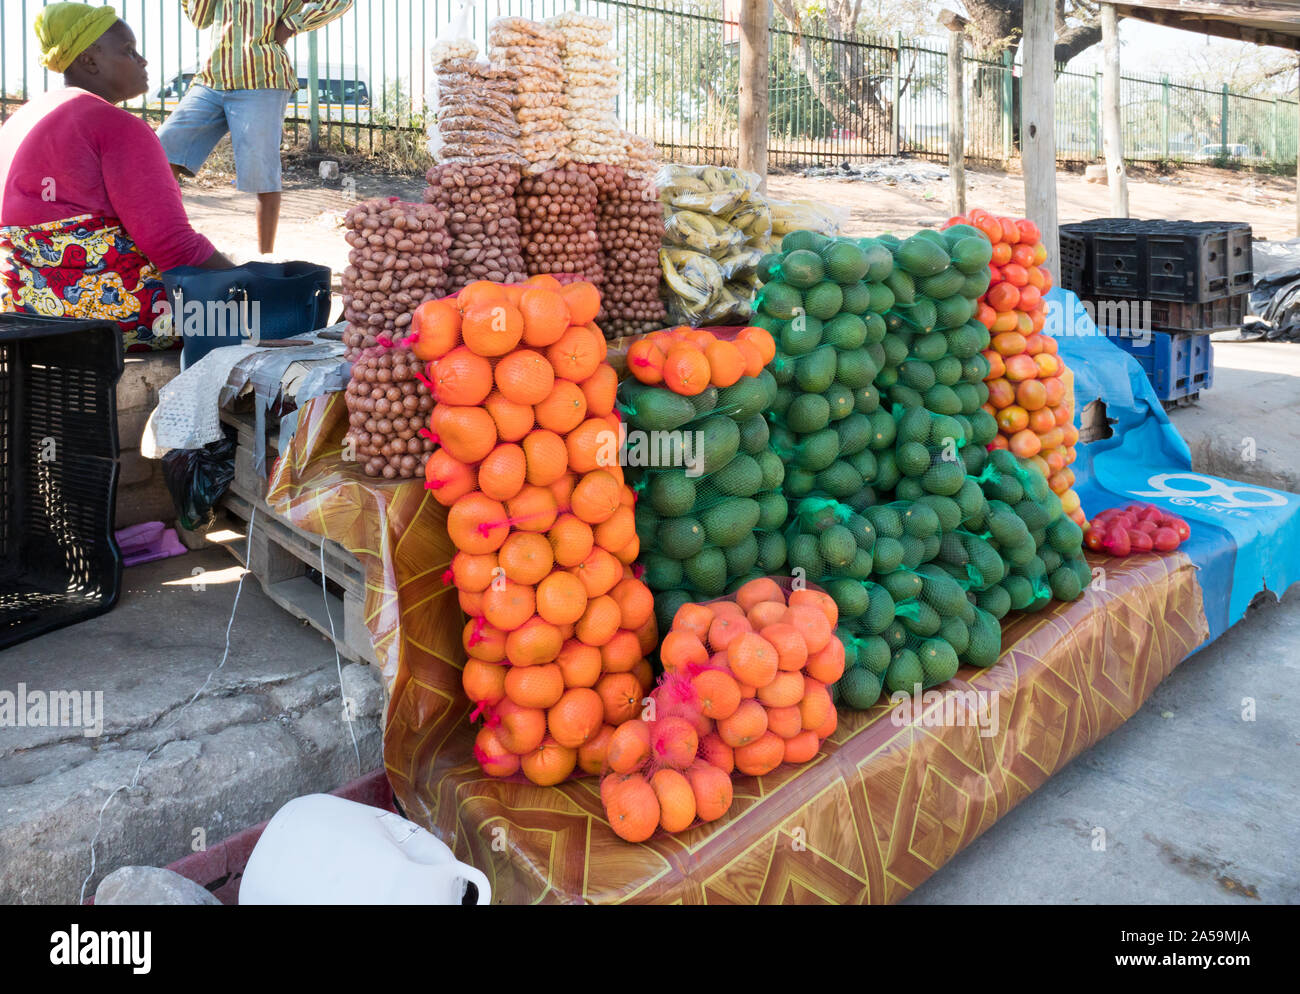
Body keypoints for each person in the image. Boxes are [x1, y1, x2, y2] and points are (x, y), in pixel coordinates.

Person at [0, 3, 231, 352]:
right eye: (128, 51)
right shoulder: (116, 126)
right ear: (89, 61)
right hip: (101, 316)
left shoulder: (23, 119)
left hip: (24, 309)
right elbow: (172, 245)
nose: (143, 61)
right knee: (255, 317)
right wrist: (245, 284)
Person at [159, 0, 354, 255]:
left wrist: (292, 23)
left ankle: (265, 259)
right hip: (212, 78)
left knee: (261, 170)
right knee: (162, 150)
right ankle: (170, 240)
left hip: (263, 79)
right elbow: (200, 19)